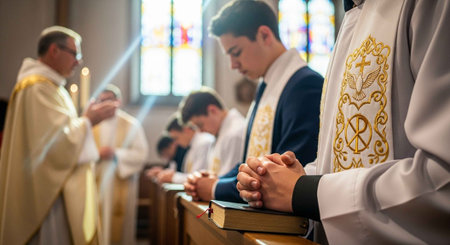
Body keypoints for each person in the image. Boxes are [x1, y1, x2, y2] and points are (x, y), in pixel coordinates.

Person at [237, 0, 450, 244]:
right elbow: (338, 160)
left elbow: (443, 179)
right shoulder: (353, 19)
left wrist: (304, 191)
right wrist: (287, 178)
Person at [184, 0, 323, 203]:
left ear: (264, 35)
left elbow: (286, 175)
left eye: (236, 52)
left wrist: (214, 188)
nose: (232, 65)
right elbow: (250, 159)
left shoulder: (304, 85)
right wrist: (215, 179)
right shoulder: (266, 85)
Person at [0, 26, 118, 245]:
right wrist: (88, 120)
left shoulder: (51, 88)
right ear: (54, 50)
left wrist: (84, 121)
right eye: (75, 54)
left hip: (52, 190)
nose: (78, 61)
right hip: (45, 199)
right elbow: (55, 147)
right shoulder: (36, 88)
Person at [93, 84, 149, 245]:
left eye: (108, 100)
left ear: (118, 101)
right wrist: (97, 154)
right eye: (101, 100)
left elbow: (141, 154)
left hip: (121, 180)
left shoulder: (131, 124)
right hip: (96, 178)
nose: (104, 104)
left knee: (120, 230)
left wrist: (116, 154)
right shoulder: (92, 123)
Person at [180, 87, 246, 201]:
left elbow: (231, 183)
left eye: (200, 125)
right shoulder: (220, 132)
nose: (200, 131)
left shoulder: (234, 133)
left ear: (212, 110)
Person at [157, 114, 214, 184]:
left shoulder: (203, 143)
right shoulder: (191, 145)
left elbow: (197, 178)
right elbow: (188, 174)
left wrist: (174, 177)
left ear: (186, 130)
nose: (176, 144)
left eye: (176, 138)